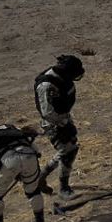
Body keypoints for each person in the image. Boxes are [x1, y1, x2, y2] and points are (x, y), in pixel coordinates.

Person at [33, 53, 85, 196]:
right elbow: (47, 113)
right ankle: (61, 187)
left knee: (71, 148)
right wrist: (63, 124)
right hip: (53, 123)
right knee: (67, 151)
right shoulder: (46, 85)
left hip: (63, 118)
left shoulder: (62, 78)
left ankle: (44, 178)